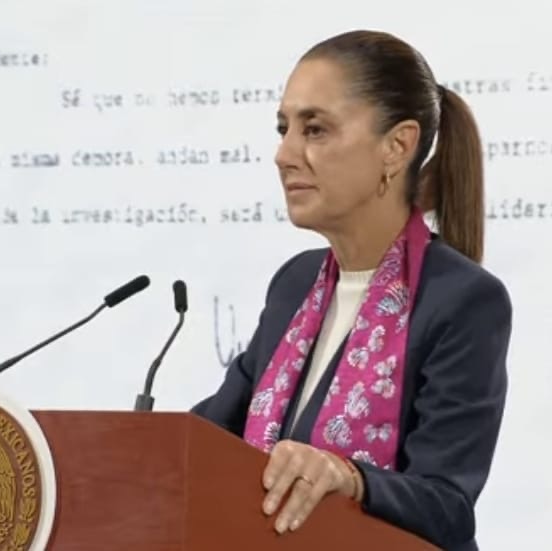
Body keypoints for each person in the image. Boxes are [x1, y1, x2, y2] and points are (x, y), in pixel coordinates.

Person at [191, 29, 512, 551]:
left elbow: (448, 506)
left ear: (397, 146)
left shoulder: (463, 300)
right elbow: (205, 441)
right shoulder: (294, 284)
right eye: (283, 129)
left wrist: (352, 479)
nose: (284, 154)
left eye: (315, 129)